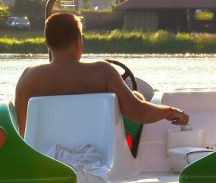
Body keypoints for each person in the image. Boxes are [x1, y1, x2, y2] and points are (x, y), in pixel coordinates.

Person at [15, 12, 189, 137]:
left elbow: (22, 132)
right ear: (78, 41)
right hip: (96, 155)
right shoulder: (102, 72)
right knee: (136, 96)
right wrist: (171, 112)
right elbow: (139, 112)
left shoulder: (28, 78)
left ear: (47, 44)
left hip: (45, 156)